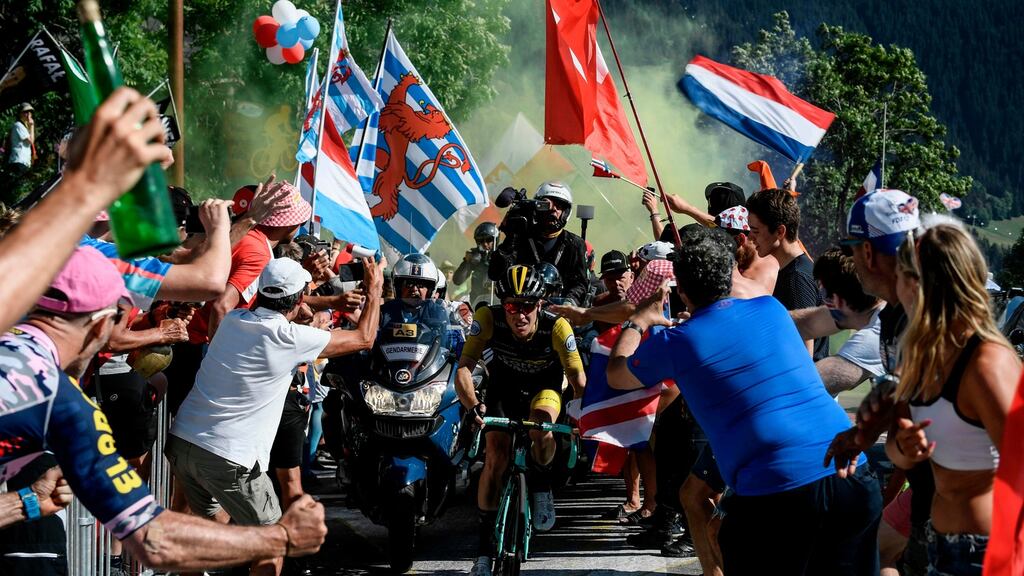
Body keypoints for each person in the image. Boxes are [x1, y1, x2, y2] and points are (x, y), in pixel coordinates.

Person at [0, 247, 327, 572]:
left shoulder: (15, 355)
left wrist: (22, 503)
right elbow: (152, 536)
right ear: (104, 326)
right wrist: (280, 538)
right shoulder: (66, 404)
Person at [607, 227, 882, 576]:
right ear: (729, 276)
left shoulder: (676, 342)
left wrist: (638, 320)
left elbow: (617, 375)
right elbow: (791, 323)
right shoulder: (770, 308)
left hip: (777, 493)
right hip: (850, 475)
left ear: (683, 289)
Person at [166, 256, 381, 575]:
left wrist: (323, 297)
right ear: (296, 301)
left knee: (204, 533)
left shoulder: (233, 320)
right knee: (273, 542)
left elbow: (281, 300)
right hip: (229, 456)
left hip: (183, 442)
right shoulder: (289, 338)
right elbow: (364, 338)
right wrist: (374, 290)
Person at [886, 222, 1020, 575]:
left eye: (899, 276)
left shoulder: (987, 365)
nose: (895, 288)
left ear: (918, 285)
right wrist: (904, 448)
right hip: (940, 546)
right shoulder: (920, 356)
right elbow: (896, 452)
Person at [456, 264, 586, 576]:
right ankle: (484, 553)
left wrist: (584, 413)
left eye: (528, 306)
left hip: (545, 387)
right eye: (513, 306)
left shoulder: (557, 327)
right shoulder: (488, 317)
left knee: (541, 427)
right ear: (504, 305)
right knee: (495, 458)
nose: (520, 315)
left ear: (539, 304)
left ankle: (541, 485)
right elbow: (464, 367)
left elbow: (577, 377)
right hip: (504, 387)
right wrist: (473, 405)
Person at [744, 188, 828, 360]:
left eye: (755, 231)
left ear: (780, 232)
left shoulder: (797, 279)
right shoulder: (793, 269)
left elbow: (804, 354)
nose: (750, 238)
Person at [488, 181, 589, 305]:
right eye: (546, 205)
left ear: (566, 212)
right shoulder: (522, 237)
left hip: (557, 311)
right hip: (521, 308)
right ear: (536, 207)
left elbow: (580, 284)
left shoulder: (575, 244)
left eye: (559, 206)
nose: (553, 210)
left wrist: (567, 304)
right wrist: (511, 236)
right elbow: (495, 273)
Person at [813, 247, 885, 396]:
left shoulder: (875, 336)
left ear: (837, 301)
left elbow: (808, 384)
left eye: (824, 294)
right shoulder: (884, 309)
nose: (824, 303)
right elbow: (806, 322)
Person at [455, 222, 499, 305]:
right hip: (478, 302)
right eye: (481, 240)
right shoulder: (475, 256)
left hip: (498, 301)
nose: (485, 244)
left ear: (495, 239)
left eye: (489, 239)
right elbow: (457, 281)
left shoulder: (503, 255)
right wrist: (467, 262)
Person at [4, 102, 35, 202]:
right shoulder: (18, 125)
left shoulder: (23, 127)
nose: (28, 115)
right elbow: (31, 141)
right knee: (15, 191)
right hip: (18, 162)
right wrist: (32, 126)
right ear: (20, 114)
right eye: (25, 112)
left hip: (22, 162)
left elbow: (31, 141)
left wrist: (31, 126)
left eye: (29, 112)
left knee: (17, 190)